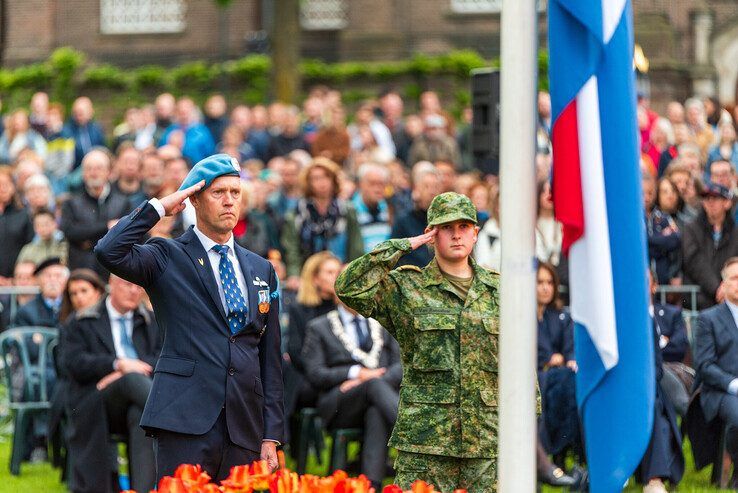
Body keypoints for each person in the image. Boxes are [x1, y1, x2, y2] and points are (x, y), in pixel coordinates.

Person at [94, 153, 284, 482]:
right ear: (194, 199)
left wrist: (271, 433)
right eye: (218, 193)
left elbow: (269, 355)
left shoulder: (260, 268)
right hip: (185, 419)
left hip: (244, 423)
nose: (229, 201)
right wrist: (159, 208)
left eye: (235, 193)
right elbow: (109, 250)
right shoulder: (168, 255)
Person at [335, 192, 499, 492]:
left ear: (476, 233)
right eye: (446, 228)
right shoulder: (406, 287)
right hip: (426, 442)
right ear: (431, 234)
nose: (456, 234)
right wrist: (404, 246)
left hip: (486, 441)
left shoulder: (499, 290)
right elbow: (349, 286)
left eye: (464, 227)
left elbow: (518, 364)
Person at [62, 274, 161, 493]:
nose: (134, 290)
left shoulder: (151, 321)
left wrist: (128, 368)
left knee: (139, 414)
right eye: (128, 284)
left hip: (138, 399)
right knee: (132, 380)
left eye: (138, 285)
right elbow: (74, 362)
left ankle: (141, 491)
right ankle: (170, 416)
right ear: (112, 284)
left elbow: (164, 357)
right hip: (97, 400)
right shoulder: (83, 321)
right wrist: (116, 364)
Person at [302, 299, 402, 491]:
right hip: (340, 404)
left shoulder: (382, 324)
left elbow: (401, 365)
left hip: (379, 399)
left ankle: (371, 485)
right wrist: (355, 373)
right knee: (373, 387)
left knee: (376, 409)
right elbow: (315, 373)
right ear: (339, 294)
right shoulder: (319, 327)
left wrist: (374, 379)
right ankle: (409, 434)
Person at [281, 158, 364, 287]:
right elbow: (291, 248)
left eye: (326, 177)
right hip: (307, 278)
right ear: (308, 182)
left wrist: (352, 270)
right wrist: (294, 274)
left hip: (341, 275)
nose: (322, 182)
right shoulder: (298, 213)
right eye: (316, 178)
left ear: (333, 180)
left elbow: (356, 245)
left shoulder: (347, 210)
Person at [693, 256, 738, 488]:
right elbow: (704, 365)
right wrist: (734, 384)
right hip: (719, 391)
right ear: (724, 284)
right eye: (735, 278)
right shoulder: (707, 319)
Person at [284, 252, 340, 428]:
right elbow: (295, 350)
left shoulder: (345, 308)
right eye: (330, 272)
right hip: (309, 377)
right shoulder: (299, 309)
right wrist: (325, 373)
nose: (337, 277)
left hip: (340, 374)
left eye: (338, 272)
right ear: (315, 278)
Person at [60, 149, 132, 276]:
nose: (94, 173)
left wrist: (87, 240)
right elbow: (70, 231)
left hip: (115, 270)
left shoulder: (123, 202)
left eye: (99, 168)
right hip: (82, 271)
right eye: (89, 168)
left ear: (109, 172)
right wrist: (107, 227)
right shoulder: (71, 203)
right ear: (83, 173)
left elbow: (127, 234)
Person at [682, 182, 738, 309]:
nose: (710, 202)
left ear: (727, 203)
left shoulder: (736, 233)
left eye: (716, 198)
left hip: (730, 302)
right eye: (707, 198)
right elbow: (694, 261)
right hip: (698, 301)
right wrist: (717, 289)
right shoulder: (691, 229)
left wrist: (726, 288)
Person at [390, 162, 441, 268]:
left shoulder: (444, 221)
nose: (432, 191)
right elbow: (393, 257)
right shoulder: (403, 221)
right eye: (427, 186)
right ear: (416, 189)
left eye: (435, 187)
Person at [0, 166, 34, 281]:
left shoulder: (24, 214)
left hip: (17, 280)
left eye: (6, 184)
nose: (2, 188)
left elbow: (30, 246)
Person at [159, 97, 216, 164]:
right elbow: (161, 150)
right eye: (181, 111)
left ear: (193, 110)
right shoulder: (170, 131)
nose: (184, 113)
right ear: (176, 112)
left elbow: (210, 154)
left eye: (186, 110)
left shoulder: (202, 132)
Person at [352, 163, 392, 253]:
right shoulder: (351, 210)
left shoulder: (387, 208)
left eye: (381, 184)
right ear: (361, 184)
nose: (377, 189)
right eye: (372, 184)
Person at [64, 97, 107, 170]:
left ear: (90, 112)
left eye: (82, 112)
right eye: (77, 112)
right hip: (75, 168)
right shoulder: (66, 130)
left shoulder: (97, 129)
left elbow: (103, 148)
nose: (79, 115)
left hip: (95, 166)